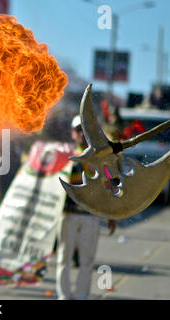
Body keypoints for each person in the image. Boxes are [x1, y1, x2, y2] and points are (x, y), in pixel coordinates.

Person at [56, 115, 116, 300]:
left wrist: (110, 214)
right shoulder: (64, 155)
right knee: (64, 258)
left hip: (90, 216)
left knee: (87, 260)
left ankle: (81, 296)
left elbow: (108, 183)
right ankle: (64, 296)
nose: (81, 133)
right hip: (68, 214)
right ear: (73, 133)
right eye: (78, 130)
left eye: (84, 129)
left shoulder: (99, 158)